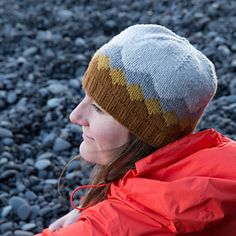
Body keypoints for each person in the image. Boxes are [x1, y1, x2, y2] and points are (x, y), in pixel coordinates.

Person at [36, 24, 236, 236]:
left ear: (146, 131)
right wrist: (94, 206)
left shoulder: (115, 226)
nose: (75, 116)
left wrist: (94, 220)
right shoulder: (221, 167)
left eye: (98, 108)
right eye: (85, 96)